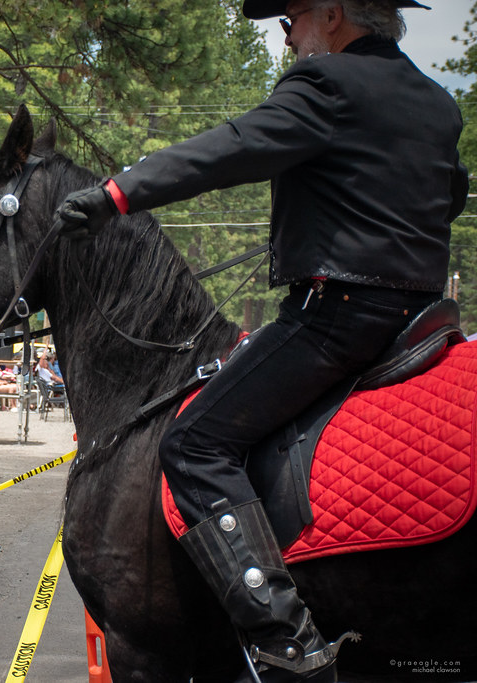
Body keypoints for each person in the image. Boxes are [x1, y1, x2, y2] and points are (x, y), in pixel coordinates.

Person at [53, 1, 466, 681]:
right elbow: (447, 196)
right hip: (420, 319)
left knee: (193, 443)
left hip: (341, 318)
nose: (288, 37)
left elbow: (235, 147)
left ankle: (286, 641)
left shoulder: (325, 84)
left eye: (290, 20)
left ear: (331, 14)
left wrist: (117, 193)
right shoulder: (435, 102)